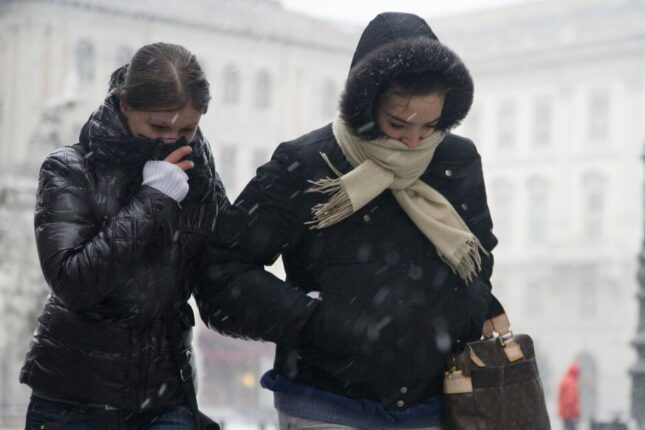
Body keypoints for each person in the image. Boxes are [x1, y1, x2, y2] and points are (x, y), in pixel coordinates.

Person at [197, 11, 497, 430]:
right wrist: (314, 321)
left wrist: (456, 318)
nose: (414, 141)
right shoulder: (306, 164)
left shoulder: (456, 160)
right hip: (325, 400)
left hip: (430, 404)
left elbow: (479, 257)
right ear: (366, 103)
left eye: (431, 125)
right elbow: (222, 270)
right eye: (398, 124)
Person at [20, 42, 227, 429]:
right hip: (74, 401)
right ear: (125, 104)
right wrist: (153, 199)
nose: (171, 139)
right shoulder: (69, 168)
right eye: (158, 126)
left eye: (187, 129)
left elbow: (221, 276)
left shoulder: (199, 176)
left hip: (167, 396)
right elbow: (74, 281)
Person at [558, 362, 581, 430]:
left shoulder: (566, 379)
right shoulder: (570, 382)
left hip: (566, 414)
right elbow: (569, 400)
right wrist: (575, 413)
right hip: (569, 415)